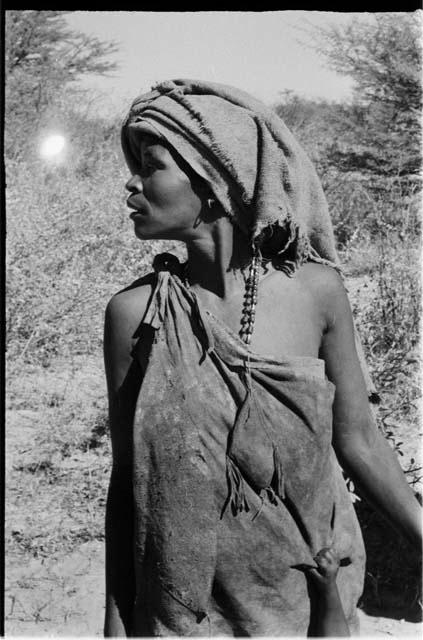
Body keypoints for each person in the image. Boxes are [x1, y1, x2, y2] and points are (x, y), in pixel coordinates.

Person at [103, 79, 421, 637]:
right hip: (185, 613)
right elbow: (131, 481)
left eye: (151, 165)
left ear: (216, 178)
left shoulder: (317, 293)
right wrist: (116, 618)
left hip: (310, 602)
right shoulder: (135, 314)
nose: (131, 183)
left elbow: (359, 439)